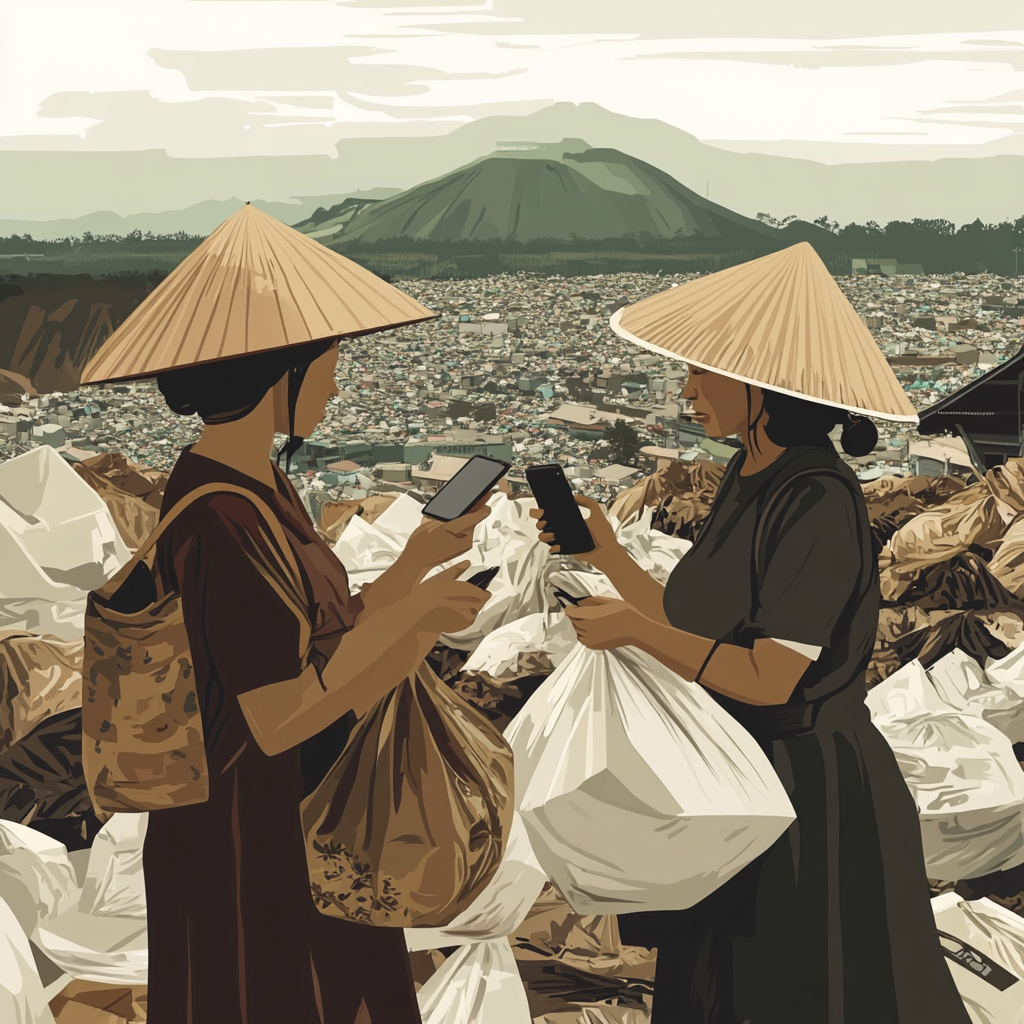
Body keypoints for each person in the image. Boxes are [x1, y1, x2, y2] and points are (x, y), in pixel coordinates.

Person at [530, 244, 971, 1023]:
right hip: (735, 776)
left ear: (762, 387)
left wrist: (631, 631)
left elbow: (771, 676)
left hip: (807, 792)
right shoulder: (747, 472)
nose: (686, 390)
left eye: (703, 373)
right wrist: (607, 555)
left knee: (794, 984)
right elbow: (693, 617)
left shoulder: (817, 499)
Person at [76, 204, 494, 1023]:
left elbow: (327, 635)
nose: (337, 384)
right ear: (282, 374)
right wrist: (418, 627)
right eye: (329, 364)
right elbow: (280, 713)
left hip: (303, 819)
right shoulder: (221, 521)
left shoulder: (261, 490)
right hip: (251, 840)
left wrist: (418, 562)